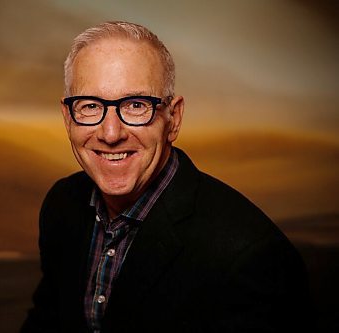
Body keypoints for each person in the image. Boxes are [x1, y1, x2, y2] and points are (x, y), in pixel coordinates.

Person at [21, 21, 313, 332]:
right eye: (90, 106)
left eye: (136, 105)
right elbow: (47, 321)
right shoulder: (61, 205)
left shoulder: (247, 255)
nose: (110, 133)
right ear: (68, 119)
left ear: (173, 119)